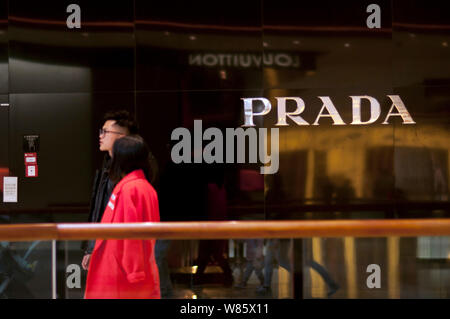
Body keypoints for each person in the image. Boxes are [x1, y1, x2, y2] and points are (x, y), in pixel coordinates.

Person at [84, 135, 160, 299]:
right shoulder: (143, 187)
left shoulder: (129, 189)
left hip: (121, 278)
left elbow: (131, 235)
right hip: (129, 273)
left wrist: (134, 271)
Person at [82, 110, 158, 271]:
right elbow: (99, 210)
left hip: (123, 249)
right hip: (105, 243)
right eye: (100, 131)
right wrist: (91, 247)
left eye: (105, 131)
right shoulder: (107, 165)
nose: (100, 135)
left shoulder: (137, 171)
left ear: (123, 136)